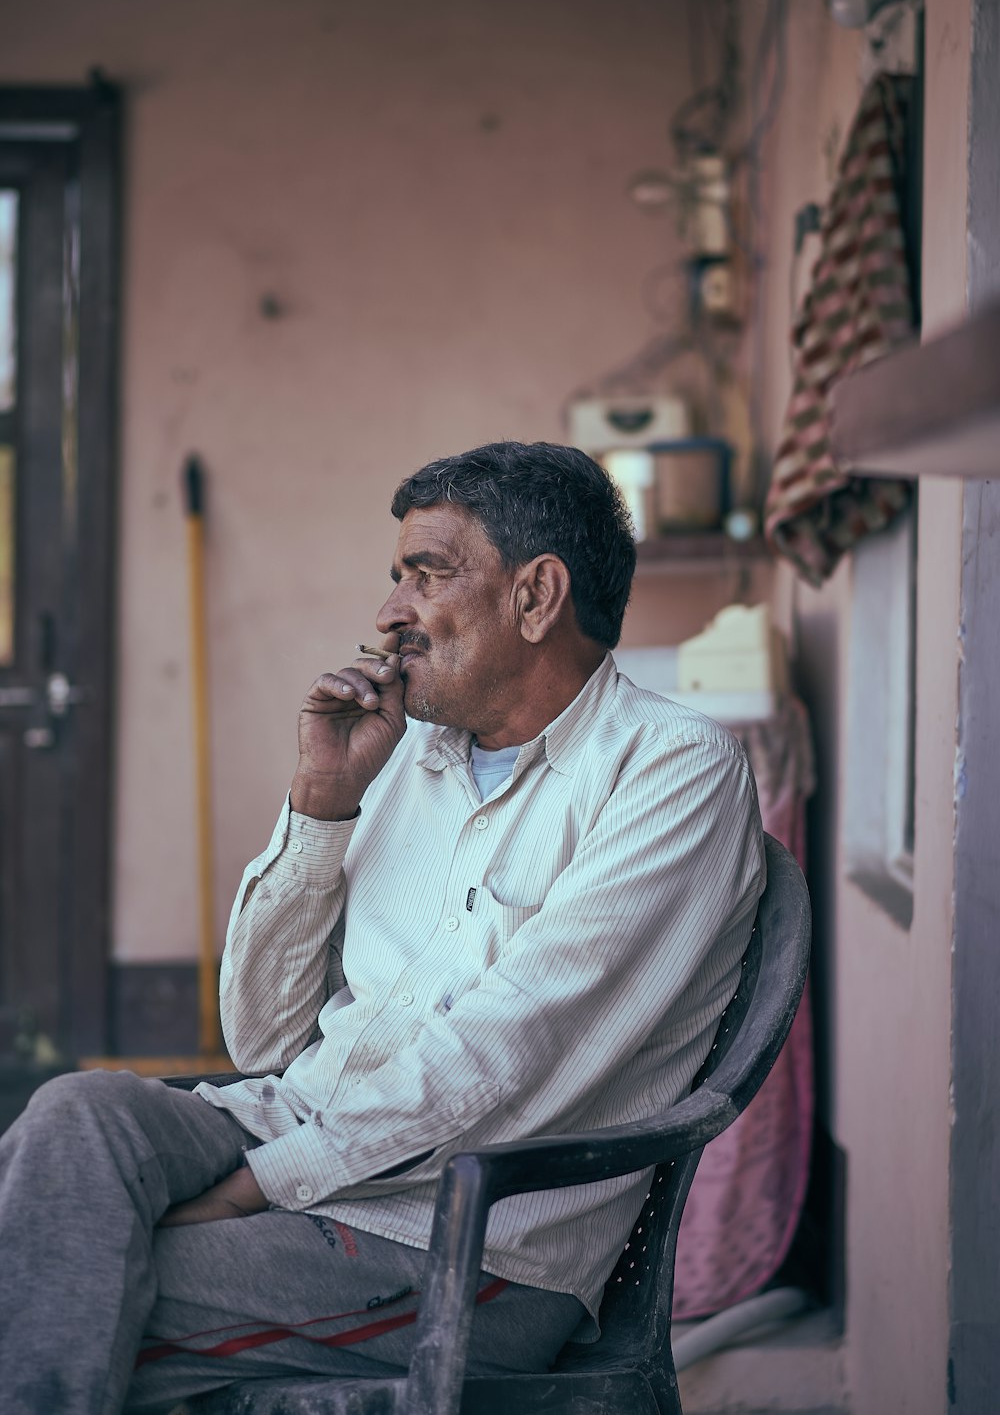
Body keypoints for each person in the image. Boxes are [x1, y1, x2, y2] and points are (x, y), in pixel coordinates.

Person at [0, 440, 764, 1413]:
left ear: (536, 598)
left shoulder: (671, 771)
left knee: (59, 1277)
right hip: (295, 1134)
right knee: (77, 1121)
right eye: (394, 575)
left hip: (463, 1245)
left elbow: (504, 1054)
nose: (387, 613)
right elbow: (264, 1037)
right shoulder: (406, 757)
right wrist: (321, 803)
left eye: (427, 574)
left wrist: (257, 1188)